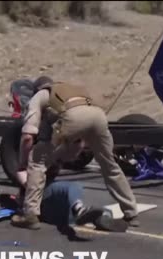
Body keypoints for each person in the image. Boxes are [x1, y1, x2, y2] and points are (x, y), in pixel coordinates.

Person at [11, 76, 139, 230]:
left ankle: (30, 215)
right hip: (98, 116)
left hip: (72, 118)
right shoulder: (69, 89)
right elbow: (78, 140)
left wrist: (22, 164)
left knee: (37, 162)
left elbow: (27, 137)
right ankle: (131, 212)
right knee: (109, 166)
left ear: (37, 89)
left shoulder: (40, 96)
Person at [0, 166, 129, 234]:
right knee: (71, 187)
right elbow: (28, 185)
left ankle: (97, 216)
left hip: (50, 215)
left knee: (72, 207)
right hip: (38, 199)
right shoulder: (27, 164)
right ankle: (81, 210)